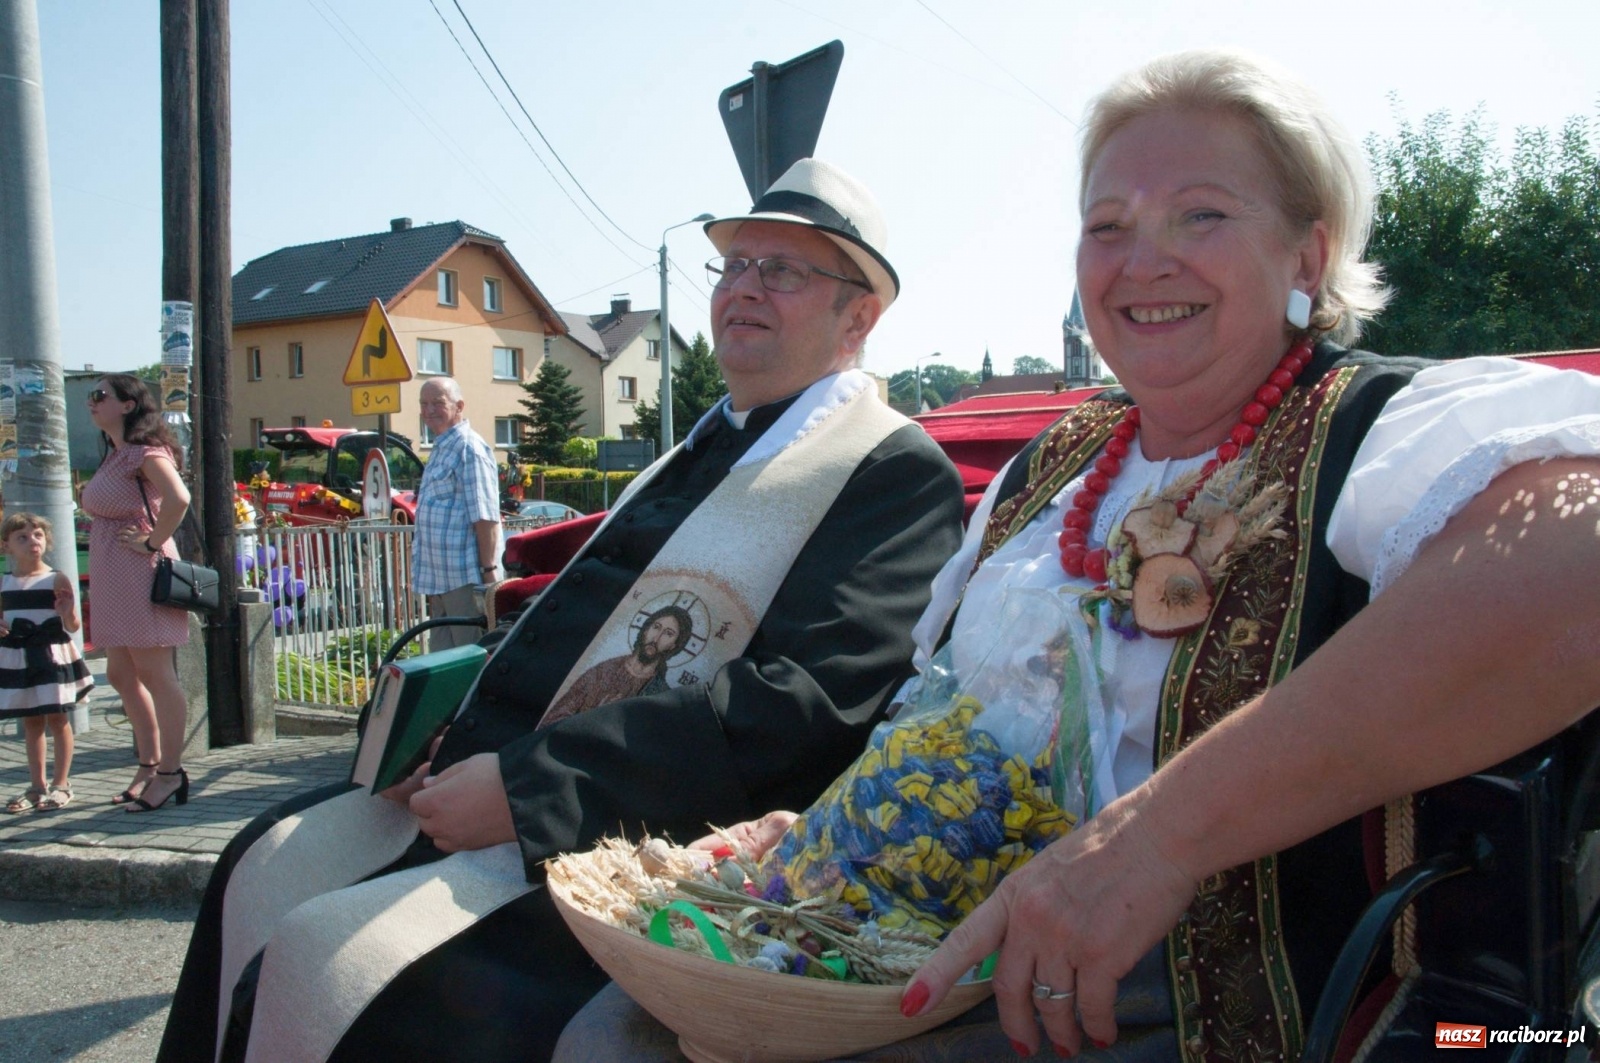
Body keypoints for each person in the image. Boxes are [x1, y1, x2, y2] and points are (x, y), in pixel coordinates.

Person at [553, 50, 1600, 1062]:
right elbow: (944, 708)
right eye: (1107, 226)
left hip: (1193, 999)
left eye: (1202, 214)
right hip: (939, 933)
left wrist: (1159, 837)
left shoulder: (1380, 429)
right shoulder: (1044, 472)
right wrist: (848, 828)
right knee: (614, 1024)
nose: (1144, 259)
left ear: (1307, 257)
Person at [156, 157, 966, 1063]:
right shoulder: (698, 447)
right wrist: (439, 725)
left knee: (353, 976)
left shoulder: (890, 471)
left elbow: (805, 705)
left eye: (781, 270)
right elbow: (563, 624)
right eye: (734, 265)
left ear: (859, 314)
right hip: (480, 782)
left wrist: (532, 788)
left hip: (624, 829)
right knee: (256, 867)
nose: (743, 288)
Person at [79, 374, 195, 813]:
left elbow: (178, 498)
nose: (92, 402)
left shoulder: (145, 452)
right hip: (115, 574)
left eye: (100, 396)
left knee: (155, 673)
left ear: (128, 405)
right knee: (122, 674)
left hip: (139, 572)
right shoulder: (116, 454)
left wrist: (150, 542)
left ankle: (170, 773)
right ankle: (149, 765)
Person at [0, 513, 93, 813]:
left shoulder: (56, 578)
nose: (33, 542)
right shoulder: (5, 582)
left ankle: (62, 784)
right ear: (7, 547)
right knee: (31, 721)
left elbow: (74, 625)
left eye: (38, 535)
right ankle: (36, 786)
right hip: (21, 657)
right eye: (22, 538)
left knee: (58, 719)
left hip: (52, 655)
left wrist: (66, 611)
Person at [413, 375, 503, 652]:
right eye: (424, 403)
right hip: (439, 577)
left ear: (459, 406)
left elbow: (485, 514)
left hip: (465, 577)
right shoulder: (441, 447)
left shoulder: (469, 449)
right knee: (443, 663)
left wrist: (489, 572)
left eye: (438, 403)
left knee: (469, 658)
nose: (429, 410)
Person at [543, 603, 692, 724]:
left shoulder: (661, 694)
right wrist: (592, 719)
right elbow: (552, 720)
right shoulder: (603, 671)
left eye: (668, 634)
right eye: (656, 627)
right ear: (646, 629)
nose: (656, 637)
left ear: (674, 645)